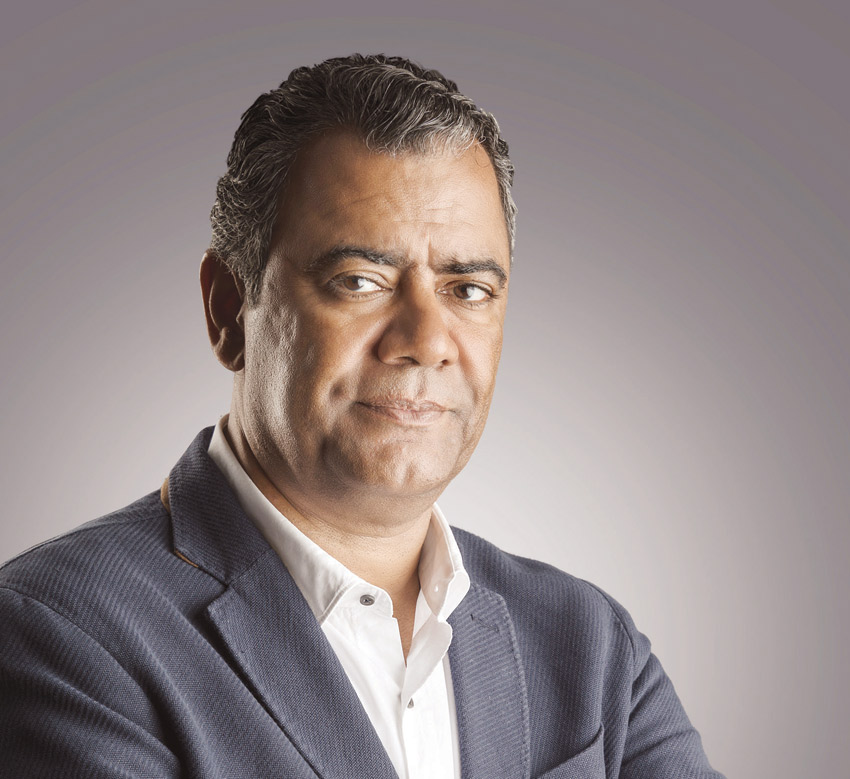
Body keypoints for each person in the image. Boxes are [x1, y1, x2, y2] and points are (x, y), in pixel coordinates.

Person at [0, 54, 724, 778]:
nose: (426, 341)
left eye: (468, 289)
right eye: (359, 281)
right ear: (229, 308)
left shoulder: (590, 645)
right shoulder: (62, 634)